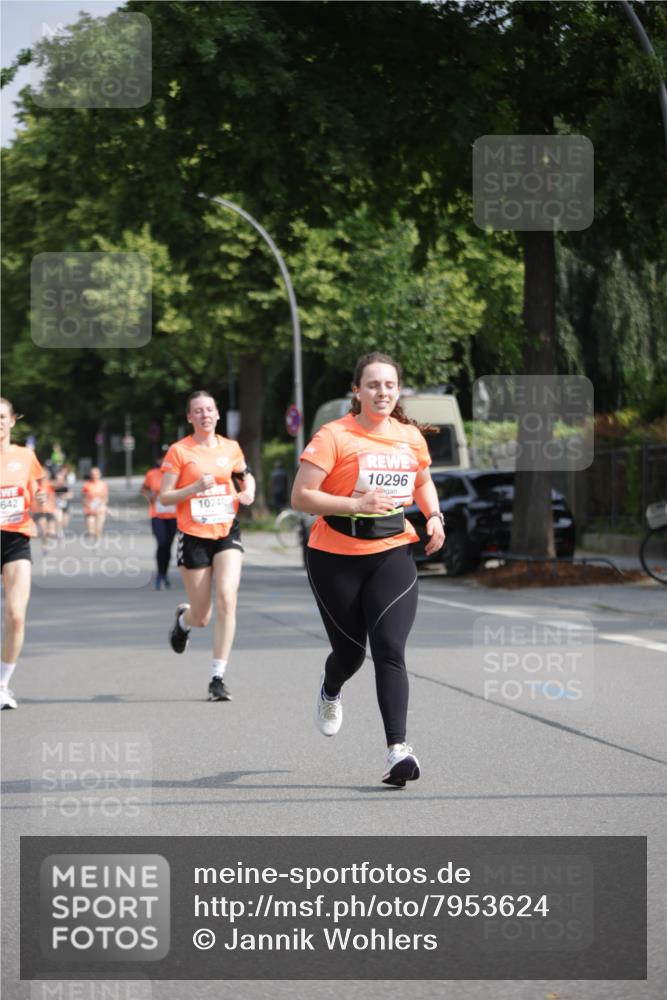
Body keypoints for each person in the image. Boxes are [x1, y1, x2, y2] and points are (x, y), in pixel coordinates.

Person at [291, 352, 445, 787]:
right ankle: (330, 688)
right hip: (334, 555)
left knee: (390, 646)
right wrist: (355, 504)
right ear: (356, 390)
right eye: (373, 385)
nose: (382, 392)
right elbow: (301, 497)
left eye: (390, 385)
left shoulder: (410, 437)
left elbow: (422, 480)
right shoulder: (333, 436)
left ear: (399, 391)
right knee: (350, 654)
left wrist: (434, 516)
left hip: (393, 550)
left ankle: (398, 749)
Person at [159, 390, 255, 701]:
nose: (205, 415)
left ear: (217, 414)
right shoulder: (179, 451)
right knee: (202, 616)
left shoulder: (231, 447)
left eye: (209, 409)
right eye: (198, 411)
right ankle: (183, 621)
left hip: (226, 530)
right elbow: (165, 496)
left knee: (227, 598)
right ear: (190, 417)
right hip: (194, 535)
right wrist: (194, 487)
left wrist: (249, 492)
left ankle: (217, 677)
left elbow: (245, 476)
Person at [0, 398, 46, 709]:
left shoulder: (26, 456)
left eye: (2, 416)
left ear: (13, 420)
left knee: (16, 616)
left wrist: (41, 499)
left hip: (16, 538)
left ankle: (2, 684)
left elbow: (37, 492)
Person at [141, 458, 177, 590]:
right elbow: (144, 489)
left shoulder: (178, 473)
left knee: (168, 545)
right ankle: (159, 575)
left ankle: (164, 574)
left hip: (174, 515)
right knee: (161, 543)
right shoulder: (152, 474)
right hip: (157, 514)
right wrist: (150, 496)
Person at [81, 466, 108, 540]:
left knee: (98, 529)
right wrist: (88, 505)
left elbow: (105, 497)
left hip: (100, 509)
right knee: (91, 530)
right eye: (93, 474)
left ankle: (97, 545)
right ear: (90, 475)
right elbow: (83, 497)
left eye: (96, 474)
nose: (95, 476)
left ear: (100, 474)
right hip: (90, 509)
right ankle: (89, 533)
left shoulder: (103, 485)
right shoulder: (87, 485)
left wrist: (103, 505)